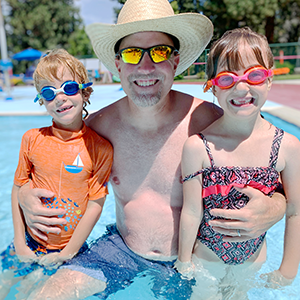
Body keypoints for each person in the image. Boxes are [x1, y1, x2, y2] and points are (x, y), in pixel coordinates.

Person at [18, 0, 286, 299]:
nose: (145, 67)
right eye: (133, 53)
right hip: (121, 250)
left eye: (158, 52)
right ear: (118, 63)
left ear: (175, 60)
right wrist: (25, 196)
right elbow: (45, 162)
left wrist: (275, 208)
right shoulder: (98, 127)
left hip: (197, 258)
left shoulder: (210, 120)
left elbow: (273, 161)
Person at [175, 27, 300, 299]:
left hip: (252, 263)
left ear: (269, 79)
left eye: (254, 75)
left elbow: (295, 211)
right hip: (206, 262)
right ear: (212, 88)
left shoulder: (287, 147)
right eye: (226, 79)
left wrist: (288, 270)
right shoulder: (198, 146)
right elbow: (192, 211)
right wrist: (184, 260)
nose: (241, 87)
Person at [0, 49, 113, 299]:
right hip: (28, 242)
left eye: (69, 87)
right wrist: (19, 241)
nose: (60, 98)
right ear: (41, 100)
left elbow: (95, 205)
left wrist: (67, 254)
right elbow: (18, 189)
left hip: (70, 249)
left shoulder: (100, 148)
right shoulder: (31, 139)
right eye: (49, 93)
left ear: (84, 91)